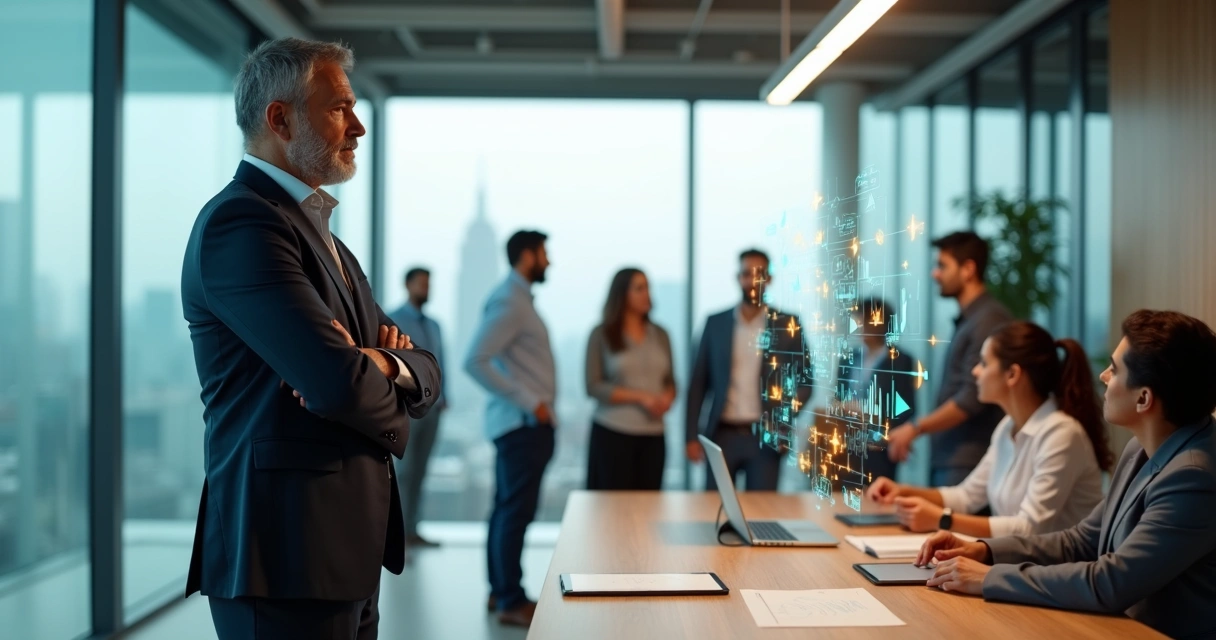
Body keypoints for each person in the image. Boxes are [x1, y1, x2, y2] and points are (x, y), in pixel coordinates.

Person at [181, 38, 441, 640]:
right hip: (284, 557)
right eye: (339, 108)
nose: (358, 127)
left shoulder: (324, 236)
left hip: (344, 551)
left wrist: (387, 364)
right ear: (279, 118)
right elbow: (334, 383)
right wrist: (374, 367)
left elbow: (422, 369)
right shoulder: (241, 224)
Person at [918, 310, 1216, 639]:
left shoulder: (1193, 475)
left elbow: (1110, 583)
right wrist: (986, 551)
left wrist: (989, 577)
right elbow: (1080, 541)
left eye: (1115, 370)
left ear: (1144, 398)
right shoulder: (1140, 449)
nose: (1103, 375)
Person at [867, 321, 1111, 538]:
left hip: (1063, 577)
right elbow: (966, 497)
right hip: (1024, 567)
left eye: (983, 363)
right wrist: (904, 491)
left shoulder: (1061, 434)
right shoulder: (1007, 427)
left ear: (1012, 374)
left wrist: (942, 519)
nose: (975, 371)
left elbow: (1029, 528)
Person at [464, 230, 555, 628]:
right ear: (526, 256)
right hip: (522, 425)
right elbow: (475, 360)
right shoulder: (511, 301)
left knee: (507, 510)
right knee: (514, 513)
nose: (549, 261)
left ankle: (499, 591)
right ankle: (510, 599)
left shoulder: (516, 299)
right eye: (543, 254)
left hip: (522, 425)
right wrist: (529, 401)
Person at [887, 231, 1012, 486]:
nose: (935, 273)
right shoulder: (973, 319)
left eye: (942, 265)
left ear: (968, 269)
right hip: (955, 458)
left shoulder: (987, 320)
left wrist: (915, 428)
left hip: (967, 460)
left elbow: (971, 397)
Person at [685, 248, 810, 491]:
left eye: (759, 274)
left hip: (766, 437)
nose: (752, 281)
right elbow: (698, 384)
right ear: (738, 278)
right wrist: (691, 436)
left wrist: (783, 420)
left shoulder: (788, 325)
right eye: (746, 274)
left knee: (762, 513)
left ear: (769, 279)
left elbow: (806, 381)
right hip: (722, 434)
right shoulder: (715, 323)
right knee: (715, 507)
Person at [585, 268, 677, 490]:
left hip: (654, 435)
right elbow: (593, 386)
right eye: (639, 288)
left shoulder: (660, 334)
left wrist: (666, 398)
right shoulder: (601, 334)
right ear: (621, 294)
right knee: (612, 509)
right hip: (613, 433)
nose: (647, 294)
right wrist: (641, 398)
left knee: (649, 507)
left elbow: (671, 381)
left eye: (648, 288)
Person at [388, 267, 448, 549]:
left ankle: (413, 530)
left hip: (433, 409)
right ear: (407, 285)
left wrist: (444, 396)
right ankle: (397, 535)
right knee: (405, 471)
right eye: (421, 283)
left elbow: (439, 364)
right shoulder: (393, 320)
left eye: (429, 283)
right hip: (406, 408)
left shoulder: (435, 325)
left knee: (422, 470)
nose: (426, 288)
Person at [842, 297, 918, 483]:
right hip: (848, 442)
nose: (864, 324)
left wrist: (873, 419)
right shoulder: (848, 358)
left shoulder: (900, 360)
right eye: (861, 318)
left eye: (870, 319)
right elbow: (839, 395)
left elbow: (905, 408)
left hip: (879, 448)